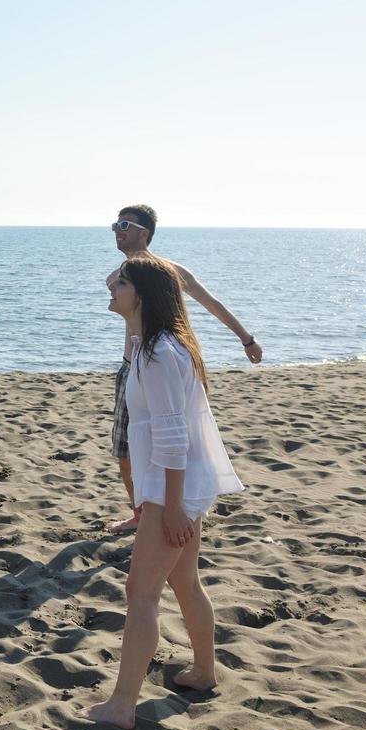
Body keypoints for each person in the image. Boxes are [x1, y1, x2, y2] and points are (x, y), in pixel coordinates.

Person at [83, 256, 244, 729]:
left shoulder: (157, 354)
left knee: (141, 592)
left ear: (145, 296)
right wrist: (133, 284)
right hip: (180, 486)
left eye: (123, 284)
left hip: (175, 490)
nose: (111, 289)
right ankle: (203, 671)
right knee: (184, 582)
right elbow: (115, 286)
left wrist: (172, 508)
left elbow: (174, 436)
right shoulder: (149, 345)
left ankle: (122, 705)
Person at [106, 205, 261, 532]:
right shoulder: (125, 274)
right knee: (124, 448)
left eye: (124, 224)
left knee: (173, 439)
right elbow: (113, 285)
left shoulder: (168, 272)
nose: (116, 230)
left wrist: (247, 340)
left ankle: (171, 509)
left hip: (159, 365)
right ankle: (140, 515)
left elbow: (212, 304)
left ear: (143, 232)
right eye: (114, 224)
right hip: (130, 367)